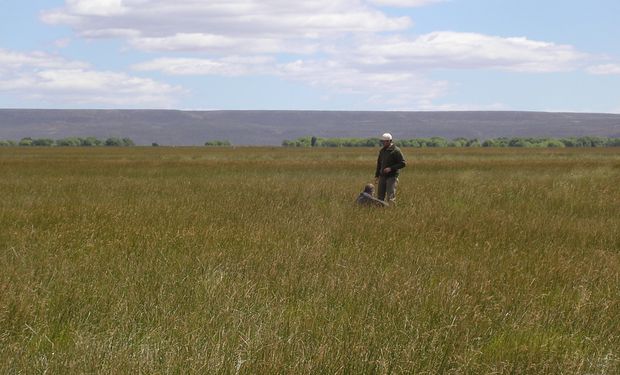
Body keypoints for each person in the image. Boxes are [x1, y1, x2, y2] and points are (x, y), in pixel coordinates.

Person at [375, 133, 406, 204]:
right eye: (382, 141)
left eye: (384, 141)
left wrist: (391, 168)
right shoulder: (382, 151)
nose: (383, 143)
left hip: (392, 177)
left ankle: (391, 212)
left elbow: (403, 163)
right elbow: (379, 164)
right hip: (382, 176)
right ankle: (380, 212)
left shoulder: (396, 150)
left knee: (390, 197)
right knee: (380, 197)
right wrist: (377, 176)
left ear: (389, 141)